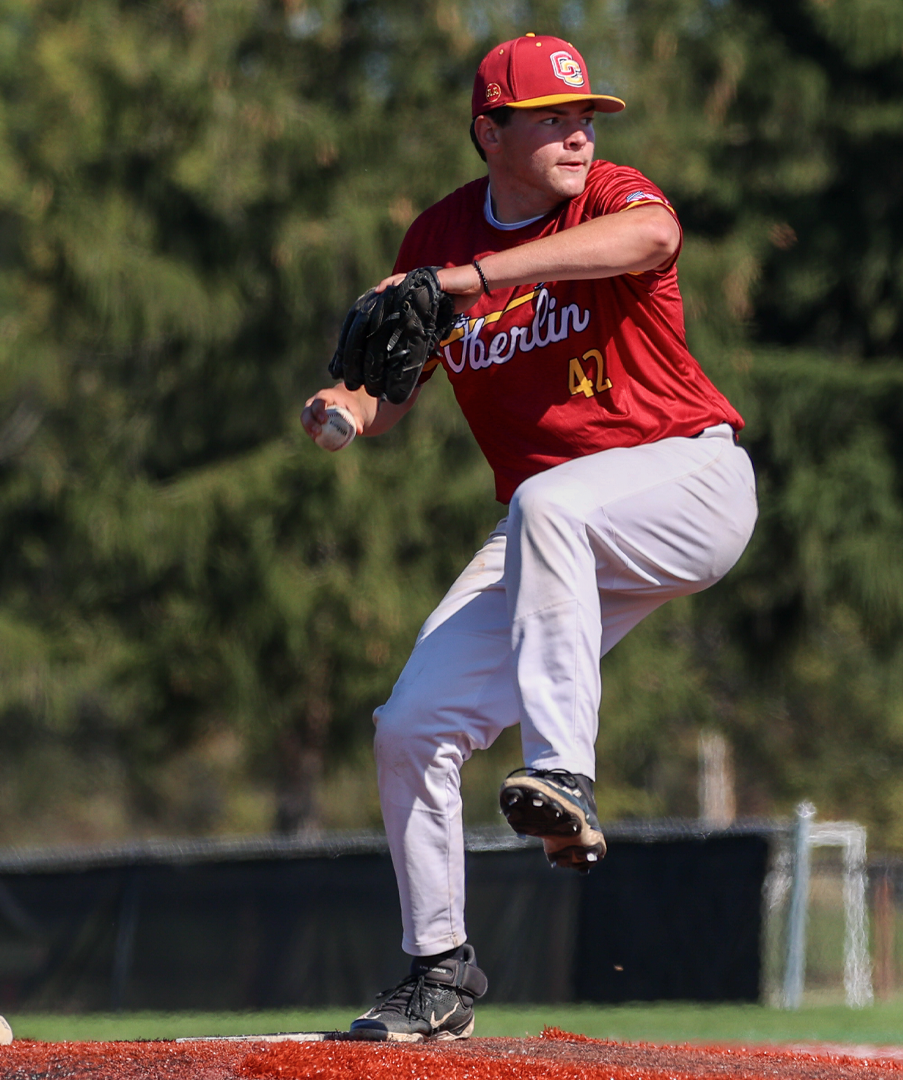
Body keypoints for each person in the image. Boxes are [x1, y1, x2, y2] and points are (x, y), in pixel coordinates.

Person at [299, 33, 757, 1042]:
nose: (579, 131)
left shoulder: (607, 199)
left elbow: (651, 242)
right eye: (552, 117)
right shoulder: (441, 234)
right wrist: (346, 406)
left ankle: (564, 774)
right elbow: (393, 384)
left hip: (691, 480)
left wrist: (474, 277)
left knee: (549, 503)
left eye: (586, 113)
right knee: (411, 726)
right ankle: (438, 971)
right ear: (488, 131)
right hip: (565, 537)